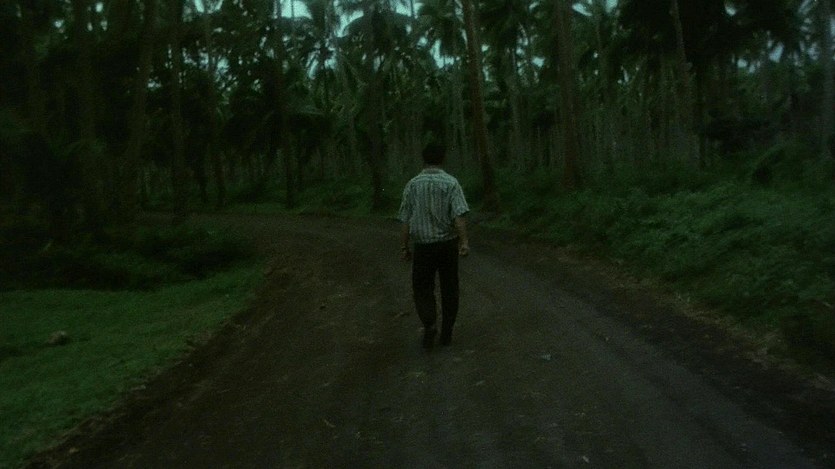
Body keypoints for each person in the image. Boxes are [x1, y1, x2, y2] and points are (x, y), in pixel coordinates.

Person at [397, 142, 470, 349]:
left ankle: (429, 323)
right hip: (447, 245)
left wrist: (404, 247)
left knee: (422, 288)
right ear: (443, 159)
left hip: (423, 246)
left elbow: (405, 219)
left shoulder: (412, 185)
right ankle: (447, 332)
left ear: (424, 160)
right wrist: (464, 242)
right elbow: (458, 217)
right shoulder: (451, 183)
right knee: (450, 288)